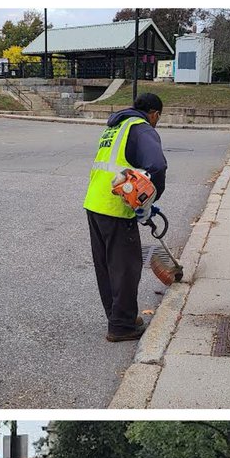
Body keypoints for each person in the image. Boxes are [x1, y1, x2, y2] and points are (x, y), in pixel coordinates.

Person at [82, 91, 168, 341]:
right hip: (116, 208)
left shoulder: (115, 126)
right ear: (155, 114)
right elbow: (157, 166)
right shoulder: (141, 128)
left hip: (95, 203)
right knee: (126, 268)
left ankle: (119, 317)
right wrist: (150, 200)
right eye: (158, 118)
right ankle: (121, 326)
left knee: (107, 267)